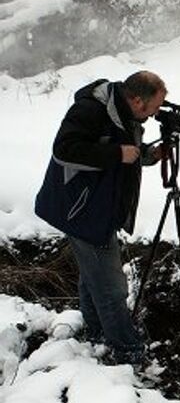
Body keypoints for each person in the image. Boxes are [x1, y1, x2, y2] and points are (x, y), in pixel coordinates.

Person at [35, 71, 167, 364]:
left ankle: (96, 335)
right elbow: (64, 151)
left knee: (93, 275)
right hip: (83, 210)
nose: (155, 114)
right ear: (136, 99)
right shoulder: (90, 111)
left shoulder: (126, 113)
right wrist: (118, 153)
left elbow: (124, 152)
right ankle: (127, 350)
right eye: (154, 108)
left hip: (98, 207)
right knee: (110, 286)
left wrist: (148, 154)